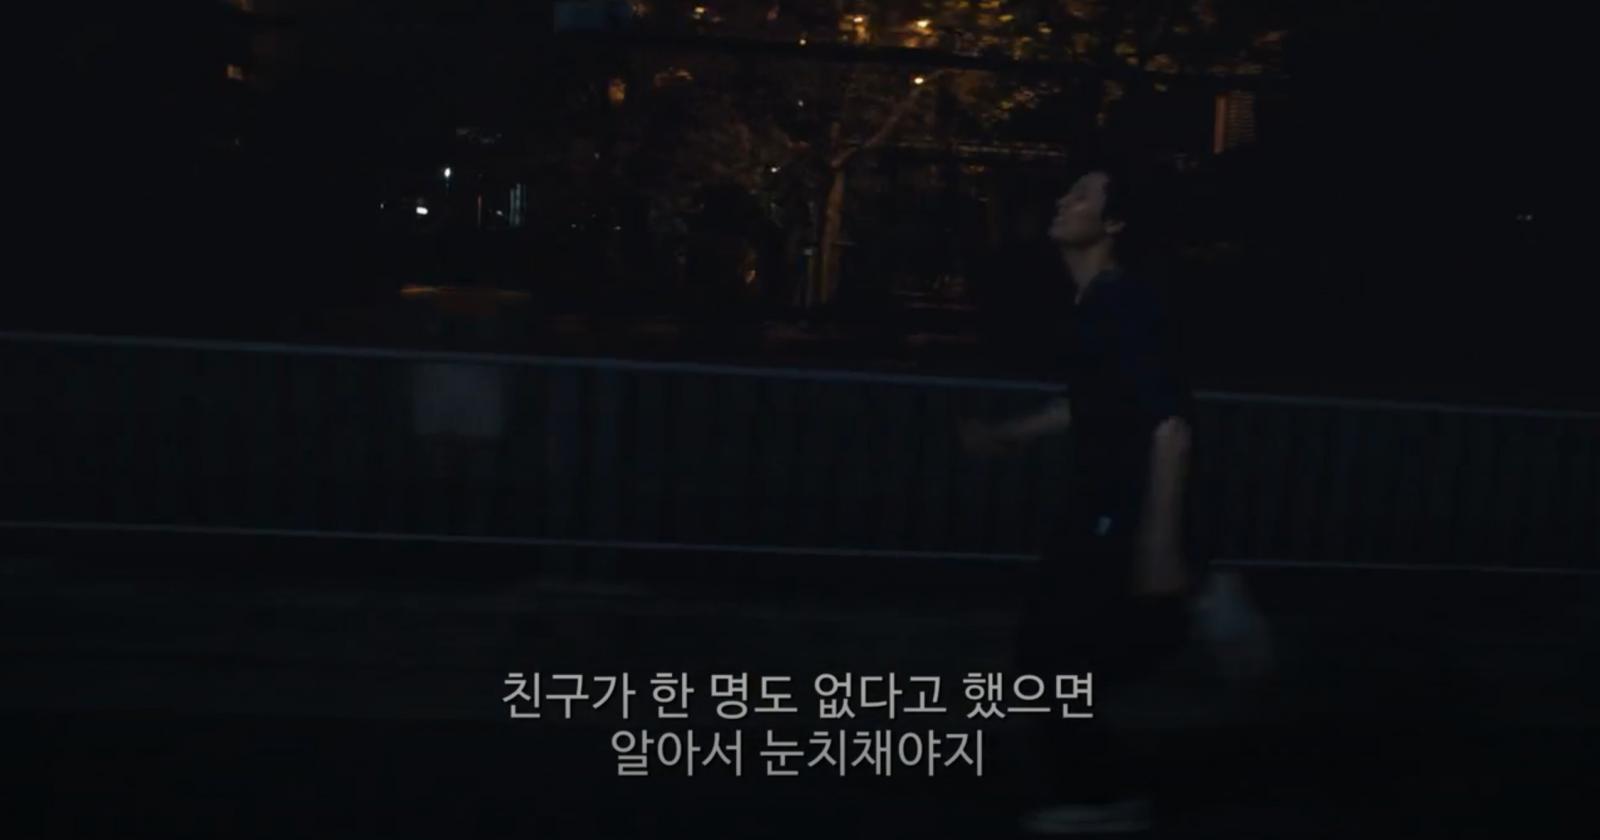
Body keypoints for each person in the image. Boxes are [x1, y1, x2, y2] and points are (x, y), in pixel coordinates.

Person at [963, 166, 1202, 835]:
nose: (1064, 202)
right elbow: (1090, 401)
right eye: (1067, 192)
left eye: (1082, 196)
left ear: (1114, 223)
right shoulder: (1098, 301)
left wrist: (1159, 544)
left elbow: (1169, 424)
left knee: (1053, 655)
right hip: (1098, 507)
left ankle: (1104, 797)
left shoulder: (1121, 303)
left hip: (1116, 513)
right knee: (1055, 651)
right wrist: (1010, 435)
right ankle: (1101, 788)